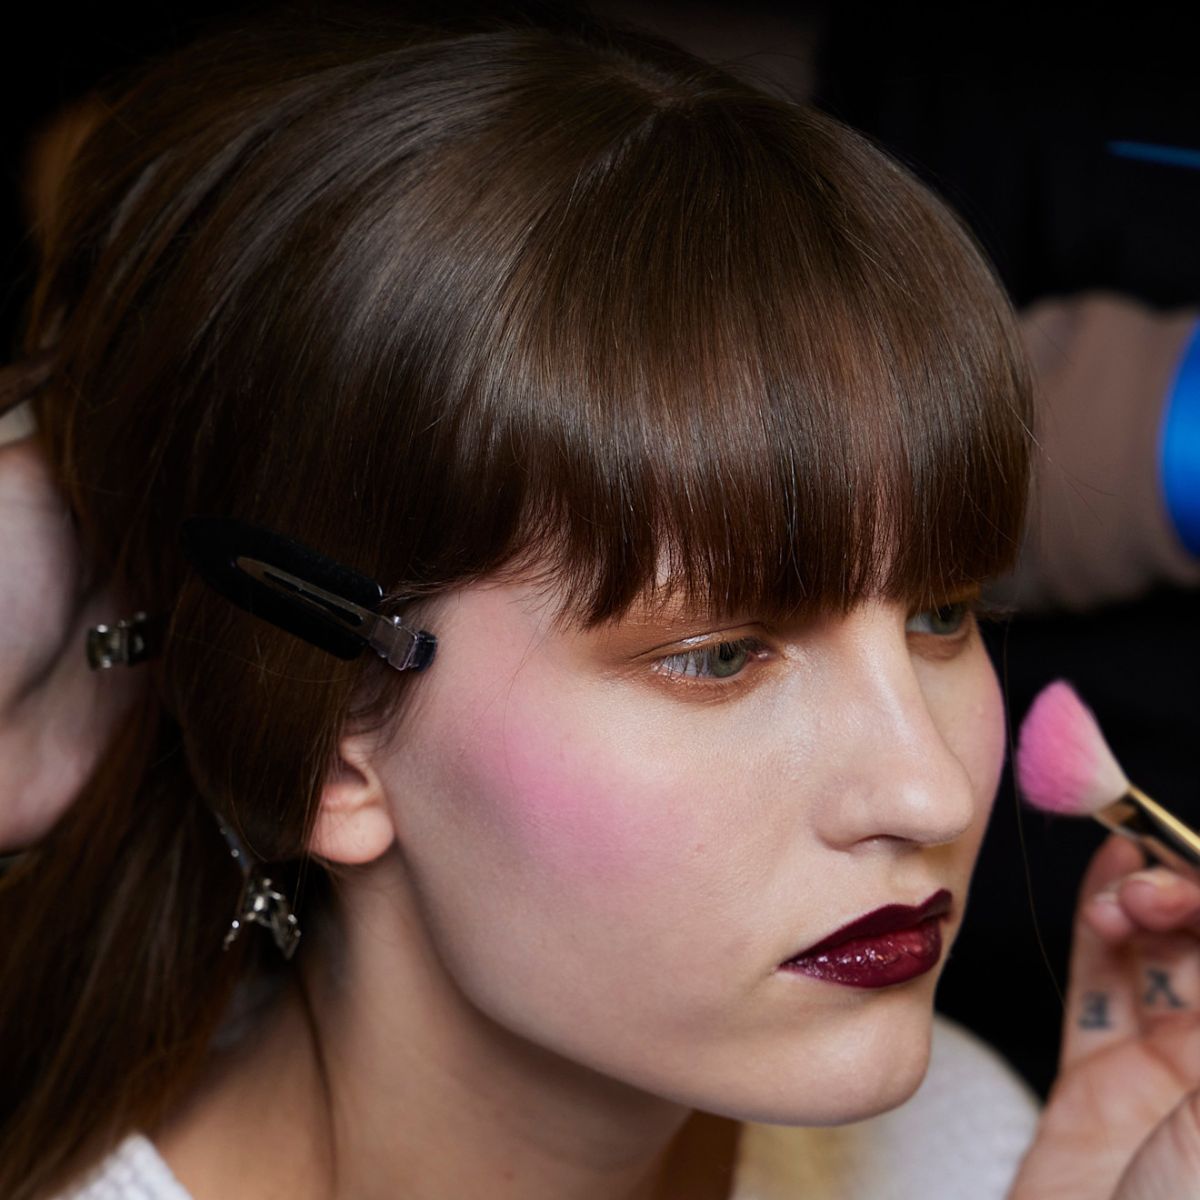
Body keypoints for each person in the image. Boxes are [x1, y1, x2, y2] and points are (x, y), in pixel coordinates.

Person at [4, 6, 1200, 1198]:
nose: (930, 791)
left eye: (942, 613)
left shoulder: (966, 1137)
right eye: (722, 654)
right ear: (330, 744)